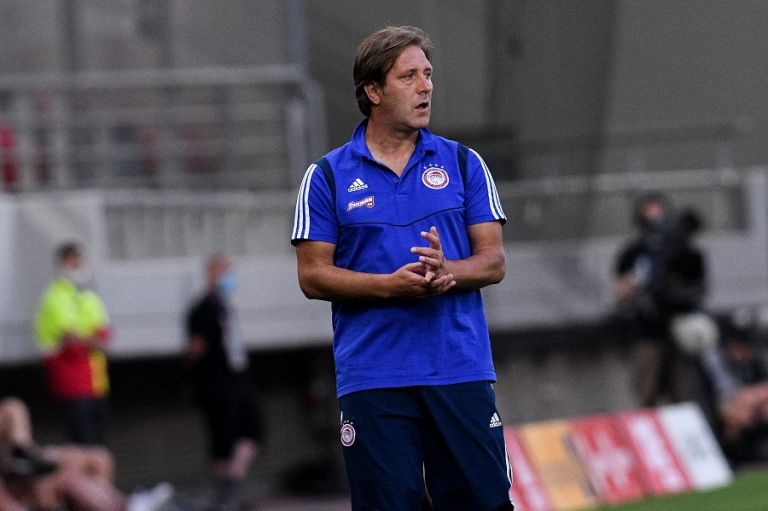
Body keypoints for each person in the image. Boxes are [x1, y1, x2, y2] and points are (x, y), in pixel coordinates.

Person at [291, 26, 513, 510]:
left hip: (458, 369)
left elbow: (493, 261)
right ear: (373, 91)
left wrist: (449, 271)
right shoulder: (326, 176)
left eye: (428, 75)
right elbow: (312, 275)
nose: (425, 86)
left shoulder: (464, 163)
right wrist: (388, 287)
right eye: (408, 76)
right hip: (374, 377)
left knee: (484, 503)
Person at [185, 255, 263, 511]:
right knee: (222, 438)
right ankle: (225, 496)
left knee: (252, 431)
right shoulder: (203, 308)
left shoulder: (226, 305)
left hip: (237, 379)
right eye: (223, 271)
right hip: (216, 383)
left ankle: (231, 485)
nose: (229, 276)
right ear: (211, 274)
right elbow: (195, 347)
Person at [0, 397, 174, 511]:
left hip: (25, 472)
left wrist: (37, 455)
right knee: (68, 476)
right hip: (23, 489)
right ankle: (124, 506)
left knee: (98, 458)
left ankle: (121, 503)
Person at [614, 195, 707, 407]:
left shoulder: (685, 251)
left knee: (681, 391)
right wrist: (636, 288)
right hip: (646, 331)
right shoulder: (634, 252)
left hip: (678, 329)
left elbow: (698, 287)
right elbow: (622, 289)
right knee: (646, 390)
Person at [34, 242, 111, 446]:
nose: (76, 265)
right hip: (71, 383)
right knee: (82, 444)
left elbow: (104, 339)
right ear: (60, 264)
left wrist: (86, 339)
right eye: (71, 260)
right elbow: (71, 340)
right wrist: (91, 340)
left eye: (78, 260)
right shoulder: (54, 297)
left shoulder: (89, 297)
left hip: (96, 381)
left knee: (99, 443)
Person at [697, 318, 768, 466]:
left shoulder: (751, 362)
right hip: (722, 405)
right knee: (739, 411)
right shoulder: (712, 362)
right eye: (739, 349)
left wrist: (753, 396)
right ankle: (733, 453)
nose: (744, 354)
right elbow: (714, 397)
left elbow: (761, 384)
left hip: (747, 402)